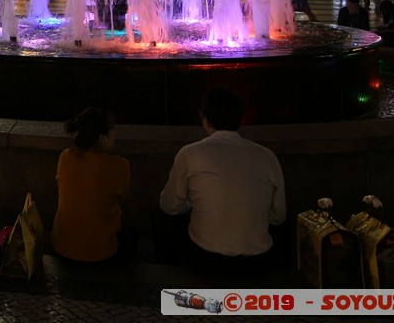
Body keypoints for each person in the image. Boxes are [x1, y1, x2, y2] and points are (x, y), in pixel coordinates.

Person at [154, 88, 286, 278]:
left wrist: (192, 206)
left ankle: (166, 275)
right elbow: (278, 217)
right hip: (257, 262)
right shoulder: (267, 157)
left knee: (159, 213)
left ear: (204, 119)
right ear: (241, 118)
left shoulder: (190, 153)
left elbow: (169, 206)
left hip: (207, 261)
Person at [51, 107, 134, 267]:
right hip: (102, 255)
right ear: (103, 138)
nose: (115, 135)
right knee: (131, 235)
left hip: (62, 249)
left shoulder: (65, 157)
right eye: (112, 131)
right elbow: (122, 197)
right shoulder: (120, 165)